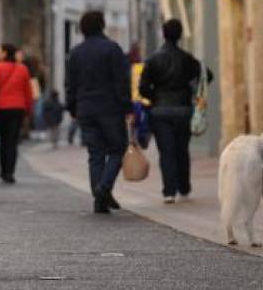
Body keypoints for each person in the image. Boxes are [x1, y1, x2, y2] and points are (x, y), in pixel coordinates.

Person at [139, 19, 212, 204]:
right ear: (180, 35)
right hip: (183, 110)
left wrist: (155, 96)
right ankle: (184, 187)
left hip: (160, 111)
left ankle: (169, 191)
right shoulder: (187, 58)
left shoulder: (153, 59)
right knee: (182, 149)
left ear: (163, 34)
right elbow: (207, 75)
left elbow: (142, 88)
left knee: (166, 152)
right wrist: (193, 90)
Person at [65, 11, 131, 214]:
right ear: (102, 25)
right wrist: (126, 106)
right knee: (118, 149)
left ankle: (99, 199)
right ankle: (103, 188)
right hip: (110, 108)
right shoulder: (112, 49)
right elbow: (121, 81)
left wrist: (72, 107)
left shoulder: (75, 53)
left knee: (95, 154)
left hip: (85, 109)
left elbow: (70, 84)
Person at [0, 44, 33, 184]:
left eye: (0, 51)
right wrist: (28, 109)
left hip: (1, 109)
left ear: (5, 53)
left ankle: (3, 170)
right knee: (13, 141)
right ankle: (10, 172)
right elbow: (28, 92)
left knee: (3, 139)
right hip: (18, 108)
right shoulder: (23, 69)